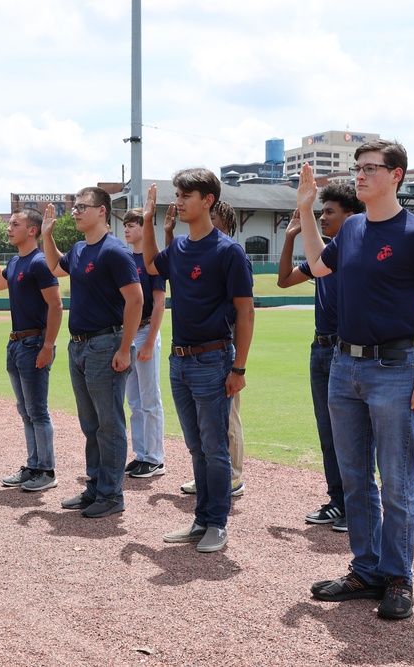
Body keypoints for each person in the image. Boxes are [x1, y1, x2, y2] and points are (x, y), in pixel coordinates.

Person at [297, 139, 414, 620]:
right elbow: (319, 265)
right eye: (358, 168)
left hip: (396, 369)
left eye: (372, 168)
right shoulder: (349, 229)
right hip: (344, 367)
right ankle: (366, 570)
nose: (361, 175)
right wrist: (307, 211)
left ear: (397, 176)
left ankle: (397, 578)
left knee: (396, 481)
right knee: (354, 479)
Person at [142, 171, 254, 553]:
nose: (179, 201)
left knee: (215, 448)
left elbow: (246, 313)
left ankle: (216, 523)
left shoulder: (228, 251)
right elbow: (152, 266)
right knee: (196, 447)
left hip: (213, 360)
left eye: (186, 195)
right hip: (180, 360)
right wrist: (147, 221)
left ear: (207, 200)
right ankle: (201, 520)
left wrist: (238, 368)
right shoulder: (181, 248)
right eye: (177, 195)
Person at [40, 187, 143, 518]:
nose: (76, 211)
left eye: (83, 207)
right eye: (75, 207)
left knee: (108, 424)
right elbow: (56, 267)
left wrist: (125, 348)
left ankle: (112, 495)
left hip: (105, 344)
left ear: (102, 211)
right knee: (90, 424)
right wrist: (47, 235)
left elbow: (136, 300)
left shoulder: (114, 252)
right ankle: (97, 487)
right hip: (79, 345)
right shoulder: (81, 248)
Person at [277, 183, 365, 533]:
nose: (323, 217)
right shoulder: (323, 256)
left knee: (354, 435)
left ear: (351, 216)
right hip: (320, 349)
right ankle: (339, 502)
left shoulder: (355, 253)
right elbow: (283, 280)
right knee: (328, 433)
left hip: (346, 351)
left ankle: (356, 507)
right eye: (322, 210)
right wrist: (290, 237)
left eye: (330, 211)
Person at [166, 201, 246, 498]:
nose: (210, 220)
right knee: (205, 434)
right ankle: (212, 482)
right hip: (193, 353)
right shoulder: (191, 249)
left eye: (215, 217)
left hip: (221, 349)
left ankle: (233, 478)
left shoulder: (230, 253)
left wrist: (237, 360)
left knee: (228, 421)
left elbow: (243, 312)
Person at [0, 209, 63, 492]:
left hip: (33, 344)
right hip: (16, 344)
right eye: (9, 224)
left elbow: (56, 305)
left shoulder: (40, 263)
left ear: (32, 231)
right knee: (25, 410)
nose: (9, 228)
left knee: (38, 411)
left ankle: (47, 470)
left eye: (15, 224)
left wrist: (48, 346)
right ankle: (33, 466)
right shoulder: (16, 261)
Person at [121, 208, 167, 479]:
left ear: (143, 227)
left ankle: (155, 458)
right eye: (124, 225)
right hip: (128, 333)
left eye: (131, 225)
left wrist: (150, 342)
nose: (126, 229)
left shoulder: (153, 260)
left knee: (150, 399)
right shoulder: (125, 258)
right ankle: (141, 455)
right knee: (134, 400)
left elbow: (160, 302)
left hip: (147, 329)